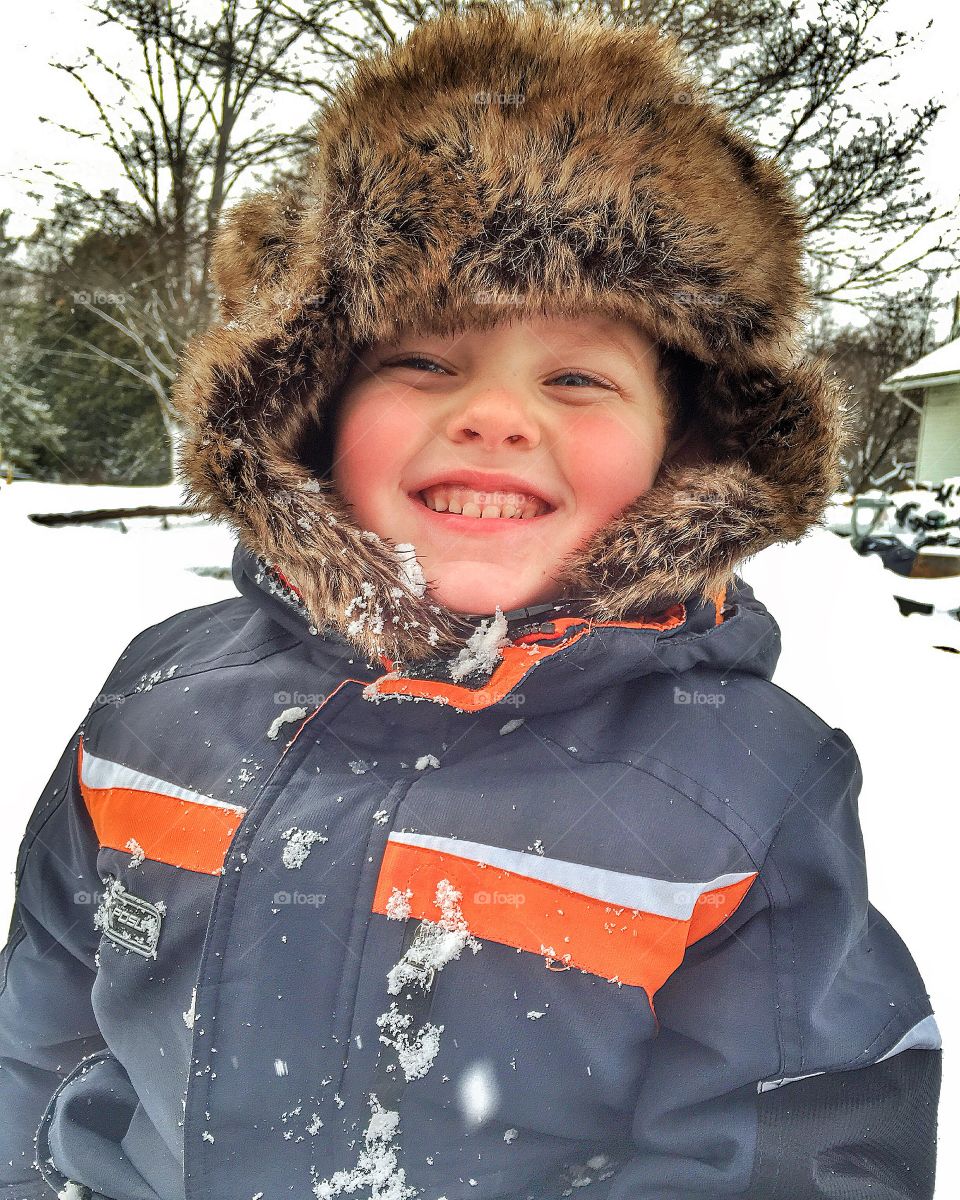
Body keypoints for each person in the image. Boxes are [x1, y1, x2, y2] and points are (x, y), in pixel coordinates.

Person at [0, 5, 941, 1199]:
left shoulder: (745, 790)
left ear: (687, 452)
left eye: (578, 377)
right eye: (426, 360)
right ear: (310, 410)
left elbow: (804, 1157)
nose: (496, 416)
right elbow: (40, 1030)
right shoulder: (158, 703)